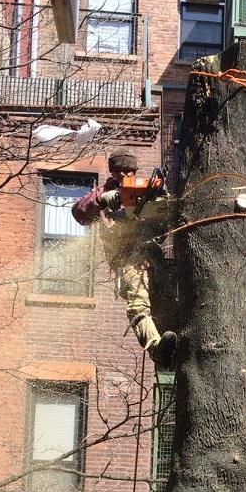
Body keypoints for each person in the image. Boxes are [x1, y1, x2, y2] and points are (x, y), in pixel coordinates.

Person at [71, 149, 177, 369]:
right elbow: (79, 212)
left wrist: (159, 202)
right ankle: (156, 347)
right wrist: (101, 200)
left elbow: (165, 218)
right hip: (126, 258)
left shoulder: (147, 188)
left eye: (129, 171)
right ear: (112, 171)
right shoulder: (102, 193)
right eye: (119, 171)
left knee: (168, 304)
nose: (124, 175)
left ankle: (172, 347)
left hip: (152, 258)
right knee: (138, 303)